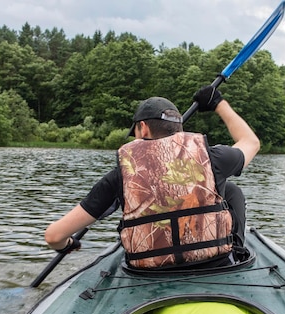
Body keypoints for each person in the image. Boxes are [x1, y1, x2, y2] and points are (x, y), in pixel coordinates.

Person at [45, 85, 260, 269]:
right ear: (179, 128)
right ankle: (237, 255)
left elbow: (54, 236)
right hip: (215, 265)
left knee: (231, 190)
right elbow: (251, 142)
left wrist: (68, 244)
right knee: (230, 191)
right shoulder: (213, 159)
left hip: (148, 274)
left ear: (143, 128)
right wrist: (218, 103)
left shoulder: (121, 175)